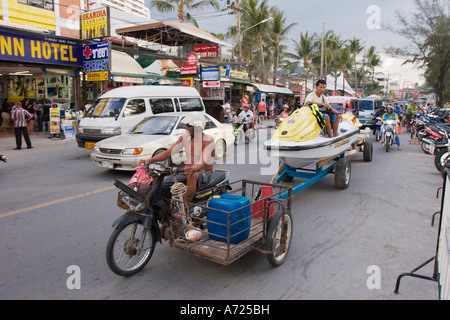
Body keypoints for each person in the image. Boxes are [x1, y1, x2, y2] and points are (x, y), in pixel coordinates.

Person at [140, 112, 215, 203]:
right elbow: (168, 152)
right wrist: (149, 160)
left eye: (188, 126)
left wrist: (192, 169)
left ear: (198, 128)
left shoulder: (208, 141)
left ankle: (184, 209)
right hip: (187, 171)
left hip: (203, 173)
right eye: (185, 125)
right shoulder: (184, 137)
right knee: (162, 185)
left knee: (192, 175)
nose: (185, 127)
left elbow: (202, 161)